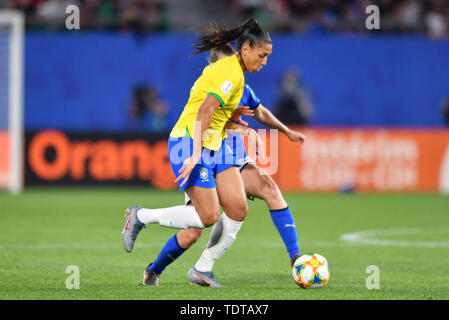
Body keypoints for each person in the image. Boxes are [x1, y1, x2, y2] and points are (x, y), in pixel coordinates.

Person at [121, 18, 273, 287]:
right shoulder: (230, 73)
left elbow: (220, 116)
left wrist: (246, 131)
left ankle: (202, 270)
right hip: (190, 141)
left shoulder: (236, 76)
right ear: (246, 49)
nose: (264, 62)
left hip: (213, 143)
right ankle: (141, 216)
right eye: (262, 55)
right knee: (207, 219)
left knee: (237, 208)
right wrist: (193, 154)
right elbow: (204, 111)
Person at [184, 45, 306, 287]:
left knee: (268, 187)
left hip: (232, 155)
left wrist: (286, 130)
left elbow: (260, 112)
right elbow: (207, 123)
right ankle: (153, 262)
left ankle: (296, 258)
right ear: (213, 66)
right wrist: (242, 128)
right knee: (194, 229)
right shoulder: (207, 88)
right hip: (209, 153)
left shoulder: (240, 86)